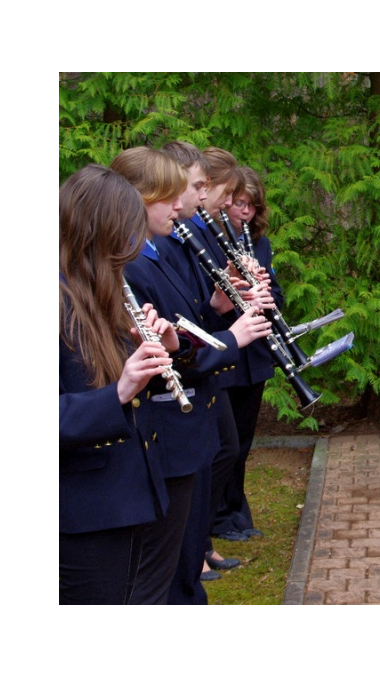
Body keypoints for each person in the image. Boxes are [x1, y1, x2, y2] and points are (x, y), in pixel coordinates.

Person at [112, 147, 272, 604]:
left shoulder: (159, 249)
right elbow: (169, 356)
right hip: (169, 424)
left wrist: (219, 308)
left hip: (189, 419)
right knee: (165, 570)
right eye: (174, 195)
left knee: (182, 560)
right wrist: (233, 337)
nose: (182, 205)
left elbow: (184, 323)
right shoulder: (134, 263)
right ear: (137, 199)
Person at [59, 164, 178, 604]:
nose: (131, 252)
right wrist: (120, 390)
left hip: (127, 494)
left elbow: (107, 374)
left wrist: (156, 349)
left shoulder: (98, 289)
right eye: (126, 238)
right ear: (97, 232)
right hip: (84, 510)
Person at [211, 165, 284, 541]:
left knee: (242, 441)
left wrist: (266, 288)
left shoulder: (260, 245)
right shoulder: (210, 245)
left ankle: (237, 510)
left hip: (255, 355)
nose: (244, 212)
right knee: (225, 444)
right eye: (239, 203)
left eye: (251, 206)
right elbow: (205, 306)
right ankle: (220, 517)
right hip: (226, 352)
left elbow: (278, 300)